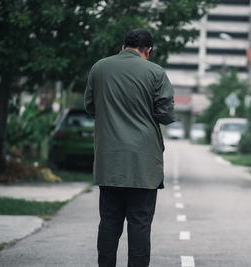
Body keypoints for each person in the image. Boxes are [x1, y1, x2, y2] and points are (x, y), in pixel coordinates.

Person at [84, 29, 175, 267]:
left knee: (109, 222)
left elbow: (90, 107)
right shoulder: (155, 71)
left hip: (110, 161)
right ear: (149, 50)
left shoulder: (99, 68)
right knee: (140, 223)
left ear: (123, 45)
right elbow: (165, 114)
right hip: (144, 163)